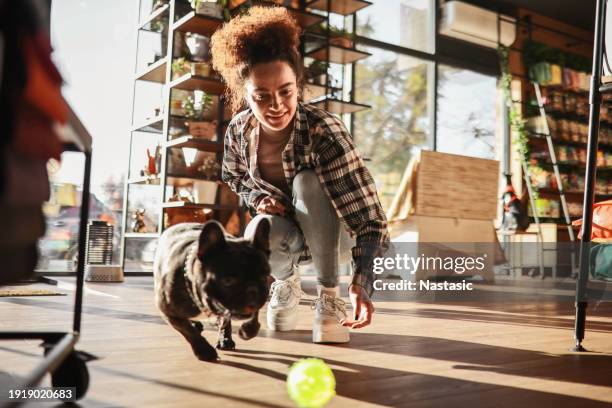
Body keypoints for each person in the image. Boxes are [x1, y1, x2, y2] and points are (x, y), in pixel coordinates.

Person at [210, 6, 389, 343]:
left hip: (337, 239)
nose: (276, 105)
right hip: (289, 241)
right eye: (261, 96)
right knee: (258, 227)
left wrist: (362, 282)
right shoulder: (238, 130)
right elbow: (234, 177)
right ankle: (286, 285)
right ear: (243, 95)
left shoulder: (324, 130)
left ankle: (328, 297)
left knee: (307, 181)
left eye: (286, 92)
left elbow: (370, 221)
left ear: (298, 86)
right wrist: (258, 197)